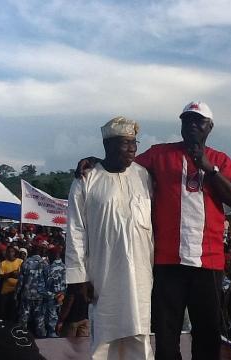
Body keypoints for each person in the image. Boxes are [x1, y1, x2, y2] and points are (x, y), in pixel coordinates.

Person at [75, 102, 231, 360]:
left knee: (208, 334)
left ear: (209, 127)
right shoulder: (159, 154)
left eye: (198, 121)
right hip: (168, 263)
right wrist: (96, 160)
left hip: (208, 263)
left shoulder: (220, 160)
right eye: (186, 120)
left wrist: (209, 168)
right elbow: (123, 164)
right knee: (166, 335)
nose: (191, 125)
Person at [67, 116, 154, 359]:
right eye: (125, 144)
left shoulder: (144, 176)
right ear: (108, 146)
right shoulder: (86, 178)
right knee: (104, 339)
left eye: (134, 143)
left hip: (140, 276)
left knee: (140, 336)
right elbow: (75, 229)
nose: (132, 149)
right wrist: (78, 277)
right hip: (102, 274)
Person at [15, 245, 48, 337]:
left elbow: (20, 281)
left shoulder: (25, 263)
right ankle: (42, 338)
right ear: (40, 253)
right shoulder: (44, 264)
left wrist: (16, 293)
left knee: (24, 317)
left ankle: (22, 338)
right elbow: (47, 281)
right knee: (39, 318)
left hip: (26, 294)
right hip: (40, 296)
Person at [44, 247, 66, 337]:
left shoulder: (48, 268)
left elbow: (43, 287)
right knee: (62, 322)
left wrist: (54, 295)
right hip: (64, 298)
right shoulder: (65, 267)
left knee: (52, 324)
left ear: (54, 255)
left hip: (52, 299)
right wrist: (63, 294)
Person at [0, 246, 23, 321]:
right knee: (3, 312)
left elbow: (24, 274)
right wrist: (11, 274)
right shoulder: (3, 263)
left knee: (14, 312)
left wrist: (18, 274)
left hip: (17, 291)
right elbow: (0, 276)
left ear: (15, 253)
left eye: (12, 251)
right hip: (5, 291)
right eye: (8, 251)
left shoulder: (20, 261)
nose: (10, 253)